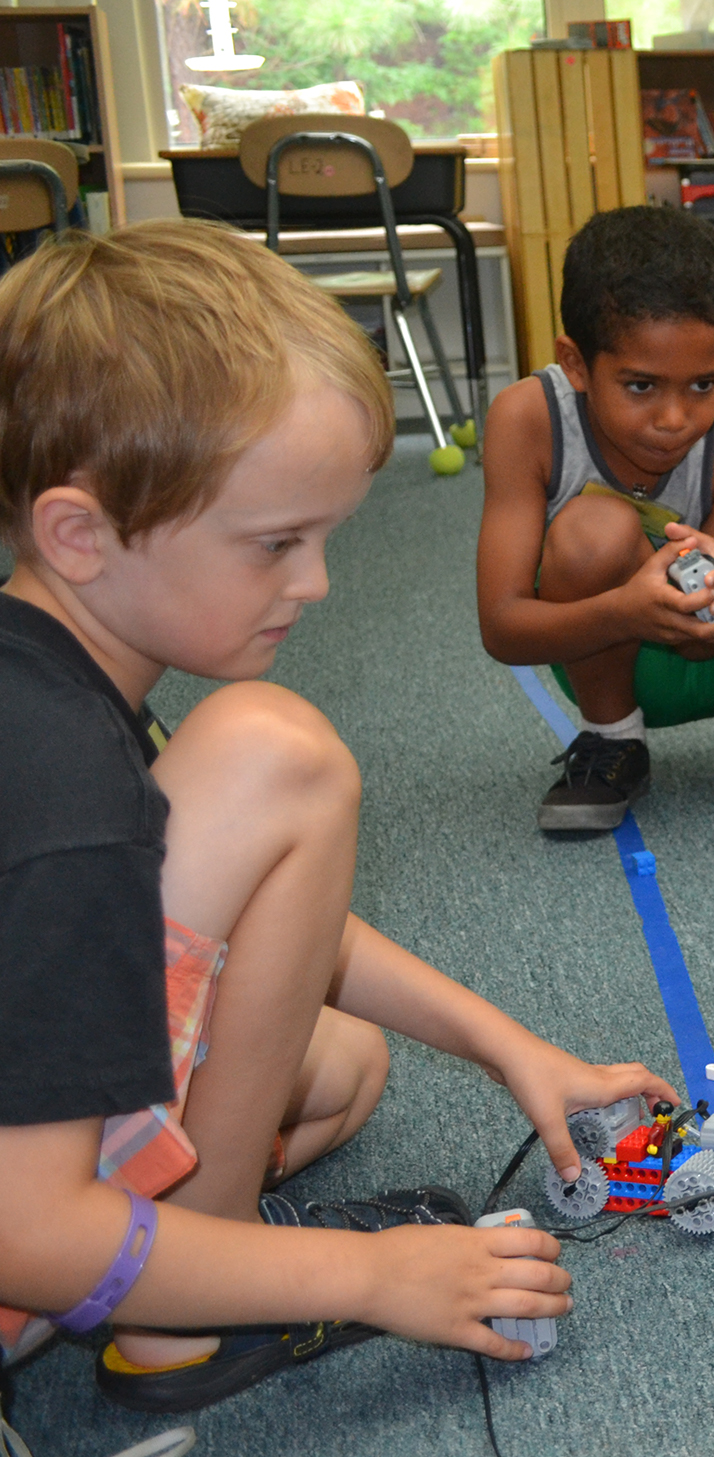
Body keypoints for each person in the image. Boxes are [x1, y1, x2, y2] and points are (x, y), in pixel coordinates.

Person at [0, 220, 675, 1413]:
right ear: (78, 534)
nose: (312, 584)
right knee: (279, 751)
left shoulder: (48, 674)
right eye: (274, 544)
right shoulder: (57, 782)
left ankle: (191, 1263)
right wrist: (368, 1273)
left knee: (342, 1066)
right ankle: (173, 1329)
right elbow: (23, 1227)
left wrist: (510, 1046)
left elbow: (292, 930)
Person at [478, 205, 714, 832]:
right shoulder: (525, 423)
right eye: (640, 386)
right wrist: (625, 609)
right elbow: (501, 628)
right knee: (590, 529)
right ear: (575, 364)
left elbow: (705, 602)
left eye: (703, 384)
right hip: (601, 643)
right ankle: (611, 740)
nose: (674, 419)